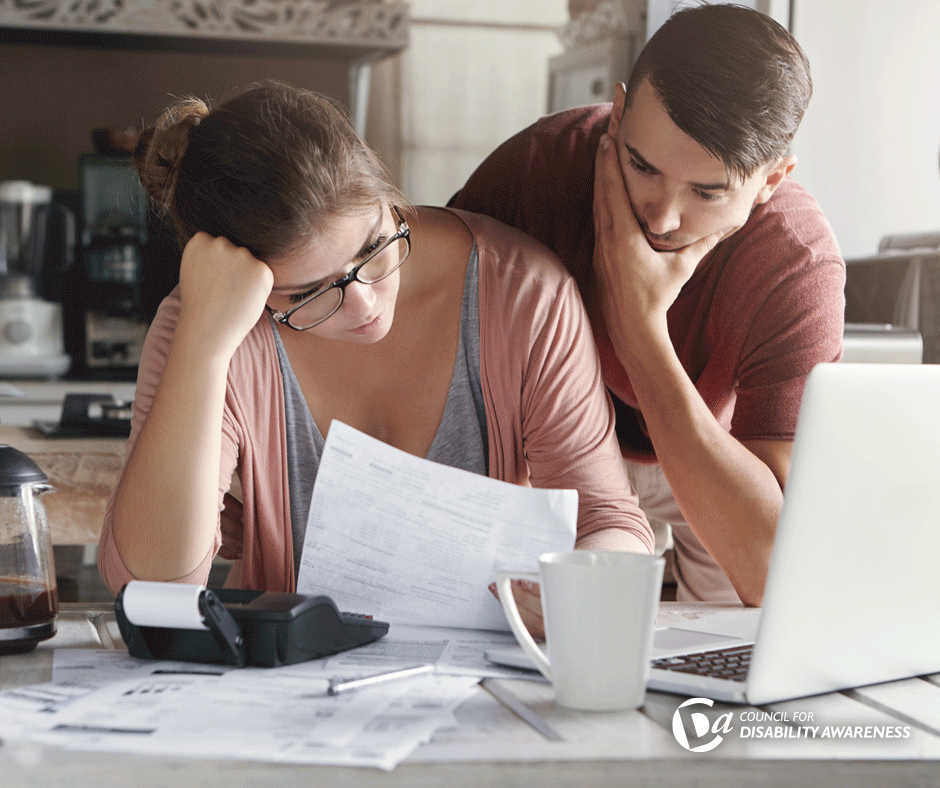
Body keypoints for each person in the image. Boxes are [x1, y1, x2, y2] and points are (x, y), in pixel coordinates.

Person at [97, 81, 654, 636]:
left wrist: (584, 583)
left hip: (491, 682)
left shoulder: (522, 292)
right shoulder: (205, 325)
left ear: (387, 194)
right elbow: (150, 587)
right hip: (288, 695)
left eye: (373, 247)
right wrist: (204, 346)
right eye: (309, 293)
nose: (365, 302)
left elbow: (610, 520)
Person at [449, 4, 846, 606]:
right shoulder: (537, 169)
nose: (661, 216)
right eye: (641, 165)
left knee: (739, 642)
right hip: (554, 443)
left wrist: (639, 328)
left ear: (772, 180)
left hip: (710, 449)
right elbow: (429, 341)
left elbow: (771, 572)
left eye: (707, 192)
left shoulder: (796, 262)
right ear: (618, 112)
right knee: (525, 624)